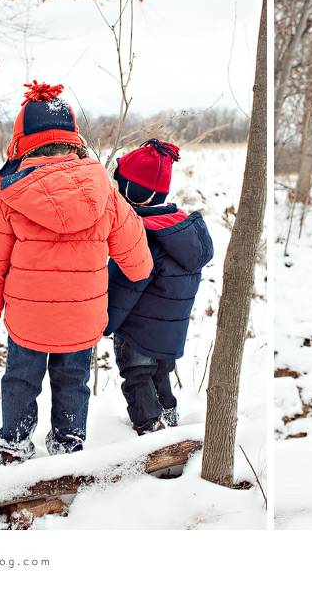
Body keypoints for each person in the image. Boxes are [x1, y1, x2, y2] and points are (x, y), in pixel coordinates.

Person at [0, 81, 153, 465]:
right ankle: (68, 445)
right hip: (82, 318)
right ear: (74, 139)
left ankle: (14, 446)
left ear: (22, 142)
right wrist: (137, 271)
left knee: (21, 380)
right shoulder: (103, 189)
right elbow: (137, 258)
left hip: (28, 318)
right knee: (73, 380)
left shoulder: (10, 194)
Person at [104, 139, 214, 435]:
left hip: (138, 331)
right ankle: (169, 415)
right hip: (169, 332)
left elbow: (124, 286)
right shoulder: (180, 231)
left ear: (130, 194)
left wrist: (104, 322)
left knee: (137, 376)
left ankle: (150, 427)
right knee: (160, 373)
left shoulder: (142, 236)